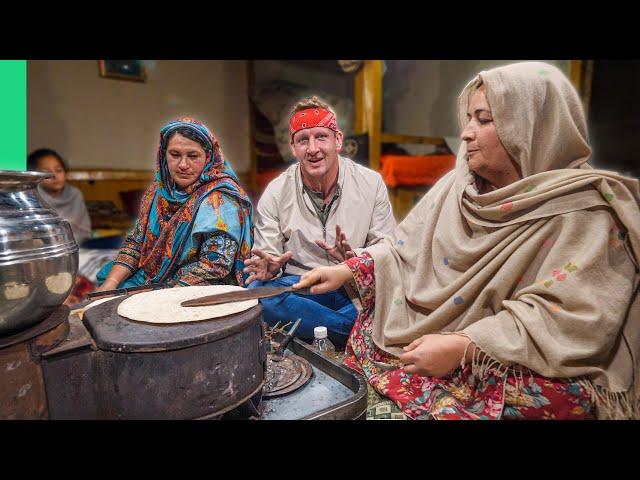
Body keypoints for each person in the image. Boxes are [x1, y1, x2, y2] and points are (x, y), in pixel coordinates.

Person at [294, 62, 640, 420]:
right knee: (337, 312)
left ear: (532, 127)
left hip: (508, 349)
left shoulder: (582, 211)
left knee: (563, 401)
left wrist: (465, 347)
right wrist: (349, 270)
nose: (466, 133)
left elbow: (569, 318)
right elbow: (404, 248)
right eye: (469, 118)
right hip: (441, 321)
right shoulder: (457, 188)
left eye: (484, 119)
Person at [244, 96, 396, 346]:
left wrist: (355, 260)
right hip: (303, 288)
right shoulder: (276, 191)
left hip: (352, 285)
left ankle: (324, 329)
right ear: (293, 147)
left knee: (397, 291)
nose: (312, 148)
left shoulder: (370, 183)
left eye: (321, 137)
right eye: (303, 140)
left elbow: (388, 248)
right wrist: (272, 268)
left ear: (338, 140)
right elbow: (268, 254)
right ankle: (359, 334)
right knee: (258, 293)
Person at [94, 117, 253, 291]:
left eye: (193, 156)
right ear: (163, 155)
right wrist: (110, 285)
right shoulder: (157, 191)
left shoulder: (221, 198)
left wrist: (158, 297)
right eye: (175, 155)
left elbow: (215, 265)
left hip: (196, 287)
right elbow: (136, 243)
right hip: (154, 280)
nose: (183, 165)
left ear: (208, 156)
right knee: (106, 279)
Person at [27, 148, 92, 245]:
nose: (55, 176)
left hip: (78, 247)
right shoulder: (31, 197)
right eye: (47, 172)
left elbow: (84, 231)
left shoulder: (75, 194)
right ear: (35, 176)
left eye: (58, 170)